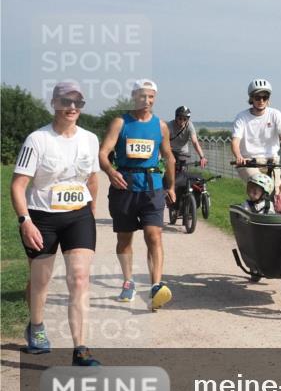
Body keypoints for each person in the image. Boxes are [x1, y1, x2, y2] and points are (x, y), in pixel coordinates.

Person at [10, 81, 102, 366]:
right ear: (54, 103)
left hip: (78, 215)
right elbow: (17, 185)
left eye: (78, 102)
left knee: (79, 279)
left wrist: (90, 212)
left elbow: (93, 179)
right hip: (42, 218)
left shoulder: (89, 138)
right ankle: (36, 327)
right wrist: (26, 222)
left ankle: (81, 349)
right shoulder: (38, 139)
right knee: (41, 280)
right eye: (66, 101)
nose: (72, 107)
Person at [99, 79, 176, 310]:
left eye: (151, 96)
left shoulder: (161, 126)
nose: (147, 100)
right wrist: (110, 171)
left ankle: (156, 286)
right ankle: (128, 281)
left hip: (152, 188)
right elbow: (103, 153)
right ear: (134, 97)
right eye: (142, 96)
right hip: (124, 188)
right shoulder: (121, 122)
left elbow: (169, 156)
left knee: (154, 236)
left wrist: (170, 186)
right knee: (124, 239)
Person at [231, 78, 281, 183]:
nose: (261, 101)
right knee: (262, 185)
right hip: (249, 162)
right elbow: (235, 141)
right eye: (257, 97)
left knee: (279, 193)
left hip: (272, 162)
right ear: (251, 98)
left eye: (265, 97)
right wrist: (239, 156)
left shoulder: (275, 114)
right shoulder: (242, 117)